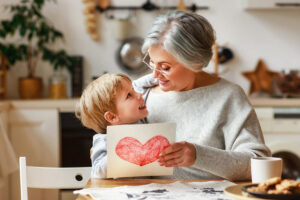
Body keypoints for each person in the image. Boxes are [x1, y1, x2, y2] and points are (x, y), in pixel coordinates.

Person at [133, 10, 271, 181]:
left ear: (196, 61)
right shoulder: (139, 95)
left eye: (165, 67)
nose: (155, 75)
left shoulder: (228, 96)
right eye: (152, 63)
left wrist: (199, 156)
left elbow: (257, 164)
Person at [75, 73, 150, 178]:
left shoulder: (141, 122)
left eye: (134, 89)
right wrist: (124, 151)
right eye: (129, 95)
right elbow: (97, 172)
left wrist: (159, 75)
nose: (139, 94)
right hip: (119, 193)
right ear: (112, 117)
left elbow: (141, 83)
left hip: (148, 191)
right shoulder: (104, 140)